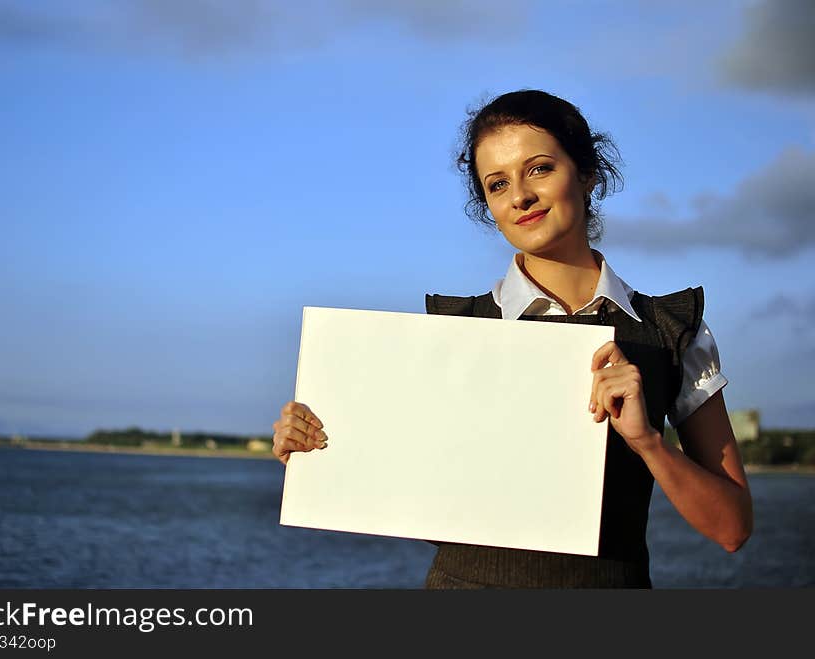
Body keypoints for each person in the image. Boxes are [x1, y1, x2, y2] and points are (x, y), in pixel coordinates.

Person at [271, 89, 753, 588]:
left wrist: (648, 443)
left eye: (539, 168)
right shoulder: (450, 331)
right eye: (497, 184)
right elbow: (394, 483)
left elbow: (732, 529)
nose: (519, 195)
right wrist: (313, 448)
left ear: (587, 174)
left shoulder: (671, 331)